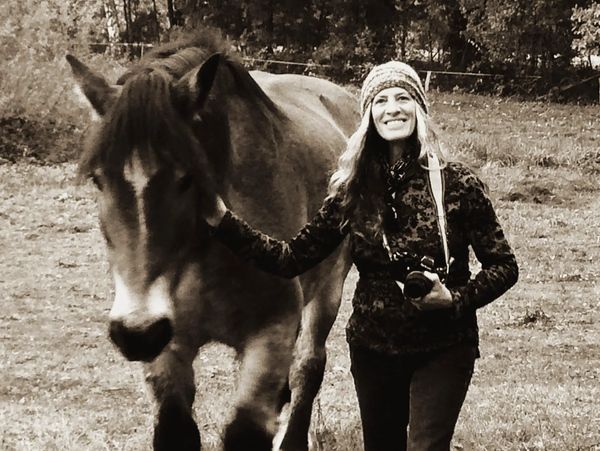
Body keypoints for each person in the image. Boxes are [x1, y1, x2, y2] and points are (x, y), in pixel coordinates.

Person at [203, 61, 518, 451]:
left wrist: (455, 299)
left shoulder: (459, 184)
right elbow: (290, 258)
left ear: (419, 109)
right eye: (381, 101)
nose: (393, 108)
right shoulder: (351, 192)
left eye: (403, 98)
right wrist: (222, 220)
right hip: (373, 353)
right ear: (369, 115)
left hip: (444, 348)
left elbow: (504, 265)